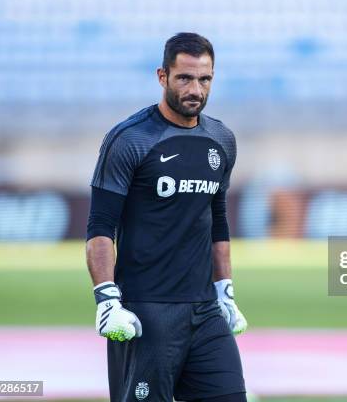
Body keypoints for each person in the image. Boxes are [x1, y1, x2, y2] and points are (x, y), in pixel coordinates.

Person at [85, 32, 248, 402]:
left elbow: (217, 220)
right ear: (163, 76)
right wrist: (107, 300)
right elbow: (99, 227)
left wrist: (225, 290)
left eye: (205, 79)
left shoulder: (222, 140)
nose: (196, 89)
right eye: (185, 78)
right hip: (147, 311)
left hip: (204, 310)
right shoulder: (130, 139)